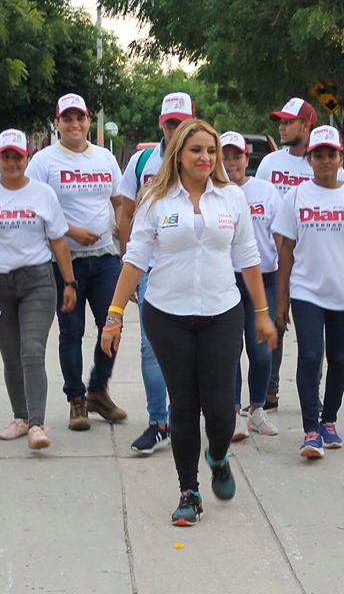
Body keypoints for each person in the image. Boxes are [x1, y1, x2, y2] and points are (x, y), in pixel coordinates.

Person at [102, 119, 277, 526]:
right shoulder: (154, 201)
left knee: (220, 409)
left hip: (222, 312)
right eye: (197, 150)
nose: (206, 158)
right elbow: (134, 260)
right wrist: (114, 316)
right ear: (178, 153)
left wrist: (263, 313)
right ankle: (189, 491)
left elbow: (248, 257)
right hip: (167, 315)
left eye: (211, 151)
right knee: (183, 406)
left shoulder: (232, 199)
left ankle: (217, 455)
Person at [0, 129, 78, 450]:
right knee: (11, 355)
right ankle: (21, 417)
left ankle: (37, 425)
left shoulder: (42, 194)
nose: (12, 162)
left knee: (32, 351)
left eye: (18, 156)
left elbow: (58, 241)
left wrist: (69, 282)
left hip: (37, 281)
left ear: (28, 158)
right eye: (6, 156)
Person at [26, 93, 126, 431]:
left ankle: (98, 388)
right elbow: (33, 208)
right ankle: (76, 400)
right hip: (65, 262)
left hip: (106, 258)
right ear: (57, 124)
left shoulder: (106, 158)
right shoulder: (43, 162)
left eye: (80, 118)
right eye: (67, 119)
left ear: (88, 121)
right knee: (71, 331)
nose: (74, 124)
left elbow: (119, 201)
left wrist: (121, 237)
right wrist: (70, 230)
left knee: (112, 325)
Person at [274, 126, 344, 459]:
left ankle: (329, 420)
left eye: (332, 154)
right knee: (311, 356)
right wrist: (281, 297)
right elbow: (285, 249)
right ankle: (310, 430)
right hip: (306, 292)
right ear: (309, 159)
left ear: (341, 157)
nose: (325, 161)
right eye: (319, 155)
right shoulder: (297, 197)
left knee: (339, 359)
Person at [255, 97, 344, 412]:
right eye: (280, 121)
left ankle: (312, 395)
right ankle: (269, 390)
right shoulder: (270, 164)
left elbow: (340, 205)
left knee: (313, 341)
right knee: (272, 325)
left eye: (288, 122)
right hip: (274, 260)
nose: (281, 127)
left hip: (313, 264)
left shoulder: (329, 165)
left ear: (306, 126)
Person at [117, 92, 195, 454]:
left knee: (195, 345)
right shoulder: (142, 161)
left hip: (193, 267)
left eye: (181, 123)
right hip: (151, 267)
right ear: (161, 124)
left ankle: (187, 414)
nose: (174, 129)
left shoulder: (201, 159)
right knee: (151, 347)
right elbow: (126, 212)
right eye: (169, 123)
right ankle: (158, 422)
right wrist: (127, 262)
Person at [220, 131, 282, 441]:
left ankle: (257, 409)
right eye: (225, 156)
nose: (231, 163)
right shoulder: (212, 191)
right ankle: (233, 414)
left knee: (262, 351)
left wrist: (284, 287)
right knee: (231, 349)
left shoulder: (266, 191)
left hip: (264, 278)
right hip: (226, 279)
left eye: (237, 156)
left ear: (247, 158)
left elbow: (281, 237)